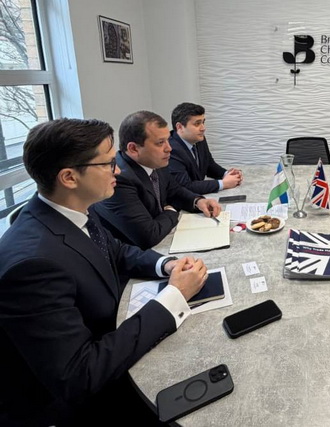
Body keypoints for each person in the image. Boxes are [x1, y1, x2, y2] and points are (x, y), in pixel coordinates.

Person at [0, 118, 210, 426]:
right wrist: (174, 295)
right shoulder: (33, 266)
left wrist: (165, 265)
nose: (119, 171)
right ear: (69, 177)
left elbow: (117, 251)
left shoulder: (70, 210)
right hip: (83, 403)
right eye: (108, 164)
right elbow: (81, 375)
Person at [95, 110, 222, 249]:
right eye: (160, 143)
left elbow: (175, 191)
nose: (169, 148)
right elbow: (148, 236)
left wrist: (198, 201)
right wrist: (171, 211)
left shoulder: (155, 161)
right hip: (133, 255)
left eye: (168, 140)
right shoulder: (119, 180)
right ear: (133, 149)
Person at [168, 102, 242, 194]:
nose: (203, 128)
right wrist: (223, 183)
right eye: (197, 124)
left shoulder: (199, 139)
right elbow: (185, 186)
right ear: (180, 127)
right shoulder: (170, 149)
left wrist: (227, 174)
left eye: (203, 122)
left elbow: (209, 165)